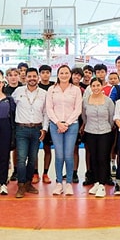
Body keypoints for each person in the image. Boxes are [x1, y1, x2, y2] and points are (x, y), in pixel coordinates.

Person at [46, 65, 82, 195]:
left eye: (67, 73)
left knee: (68, 155)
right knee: (59, 155)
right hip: (55, 125)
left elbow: (78, 109)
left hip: (71, 125)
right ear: (58, 74)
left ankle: (69, 183)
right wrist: (58, 123)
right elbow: (49, 108)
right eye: (61, 73)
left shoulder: (76, 90)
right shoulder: (52, 89)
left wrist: (66, 123)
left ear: (70, 74)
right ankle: (59, 182)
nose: (64, 75)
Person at [11, 68, 47, 198]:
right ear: (25, 78)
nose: (32, 78)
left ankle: (28, 183)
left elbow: (46, 113)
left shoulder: (44, 93)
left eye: (34, 76)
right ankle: (20, 185)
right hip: (21, 129)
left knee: (33, 159)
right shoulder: (18, 92)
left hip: (37, 129)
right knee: (21, 159)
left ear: (37, 78)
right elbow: (12, 106)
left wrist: (44, 129)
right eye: (29, 76)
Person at [81, 77, 115, 198]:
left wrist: (108, 127)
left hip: (105, 132)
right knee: (93, 158)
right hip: (90, 131)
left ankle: (102, 184)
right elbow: (84, 116)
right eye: (93, 86)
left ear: (102, 87)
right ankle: (95, 182)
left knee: (103, 157)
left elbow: (112, 118)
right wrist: (88, 125)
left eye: (98, 85)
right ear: (90, 87)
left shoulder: (108, 101)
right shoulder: (85, 101)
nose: (95, 88)